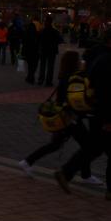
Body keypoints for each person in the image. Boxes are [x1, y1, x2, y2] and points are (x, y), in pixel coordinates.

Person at [18, 51, 102, 185]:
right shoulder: (73, 79)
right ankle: (86, 176)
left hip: (64, 117)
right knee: (87, 147)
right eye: (78, 60)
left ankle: (27, 161)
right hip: (71, 119)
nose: (81, 62)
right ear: (74, 62)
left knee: (57, 145)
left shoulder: (63, 77)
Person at [55, 30, 111, 200]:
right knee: (97, 148)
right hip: (106, 114)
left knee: (94, 148)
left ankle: (66, 172)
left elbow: (91, 85)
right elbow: (108, 93)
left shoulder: (96, 57)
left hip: (94, 112)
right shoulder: (108, 61)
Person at [38, 17, 63, 86]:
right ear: (51, 23)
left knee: (42, 65)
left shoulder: (42, 31)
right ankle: (48, 81)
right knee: (50, 66)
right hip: (52, 50)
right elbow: (60, 40)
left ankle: (41, 80)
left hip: (43, 50)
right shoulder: (55, 31)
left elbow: (38, 40)